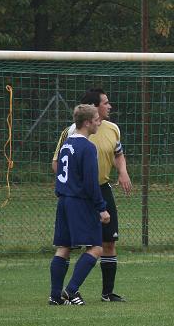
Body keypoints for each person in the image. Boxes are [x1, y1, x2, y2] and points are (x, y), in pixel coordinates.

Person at [52, 87, 132, 302]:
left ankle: (106, 293)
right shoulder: (73, 134)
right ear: (92, 112)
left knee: (108, 242)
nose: (109, 106)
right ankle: (70, 290)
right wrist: (76, 188)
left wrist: (122, 171)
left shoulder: (113, 128)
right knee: (84, 245)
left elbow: (118, 154)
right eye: (105, 103)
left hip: (101, 189)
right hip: (83, 195)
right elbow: (57, 164)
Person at [49, 104, 111, 305]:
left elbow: (60, 172)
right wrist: (101, 208)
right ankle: (71, 290)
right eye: (96, 119)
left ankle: (55, 296)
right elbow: (91, 182)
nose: (99, 122)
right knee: (96, 248)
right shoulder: (87, 147)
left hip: (64, 200)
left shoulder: (66, 144)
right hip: (79, 202)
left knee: (64, 247)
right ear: (87, 123)